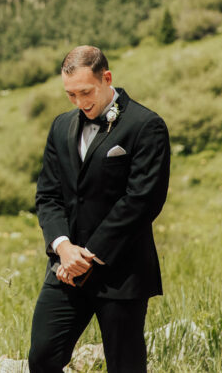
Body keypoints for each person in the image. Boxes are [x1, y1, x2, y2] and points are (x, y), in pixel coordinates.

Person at [28, 46, 170, 373]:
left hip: (121, 270)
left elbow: (142, 200)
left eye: (86, 92)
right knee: (42, 357)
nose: (79, 102)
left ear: (106, 78)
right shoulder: (60, 127)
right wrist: (63, 248)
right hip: (65, 268)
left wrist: (89, 255)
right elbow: (48, 195)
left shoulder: (146, 125)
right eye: (71, 95)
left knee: (125, 366)